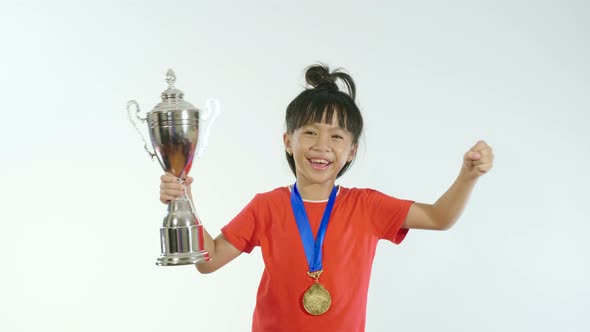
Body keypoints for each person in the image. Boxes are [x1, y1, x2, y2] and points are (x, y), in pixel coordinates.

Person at [159, 64, 494, 332]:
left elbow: (439, 217)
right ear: (288, 141)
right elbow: (209, 260)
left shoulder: (367, 206)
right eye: (310, 132)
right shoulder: (266, 206)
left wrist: (467, 176)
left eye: (336, 136)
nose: (321, 145)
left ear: (351, 151)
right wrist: (184, 200)